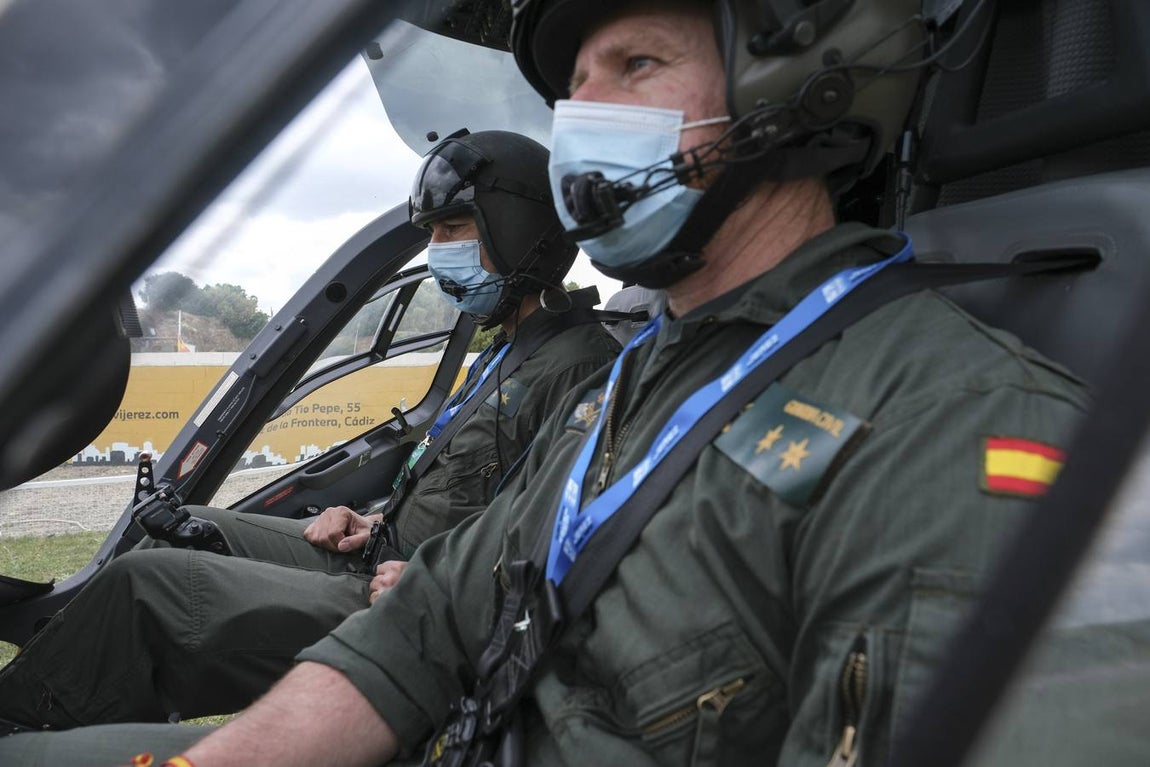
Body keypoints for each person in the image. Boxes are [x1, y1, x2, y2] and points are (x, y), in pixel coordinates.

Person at [0, 0, 1091, 764]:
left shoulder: (956, 423)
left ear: (797, 89)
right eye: (574, 89)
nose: (584, 121)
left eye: (636, 67)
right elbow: (430, 617)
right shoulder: (644, 375)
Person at [0, 129, 620, 731]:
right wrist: (376, 522)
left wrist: (456, 586)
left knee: (146, 587)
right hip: (381, 555)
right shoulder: (506, 353)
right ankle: (97, 723)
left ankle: (19, 727)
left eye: (453, 228)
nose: (436, 249)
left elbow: (569, 542)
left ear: (519, 232)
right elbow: (476, 493)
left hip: (417, 602)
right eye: (430, 232)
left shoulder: (579, 368)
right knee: (186, 529)